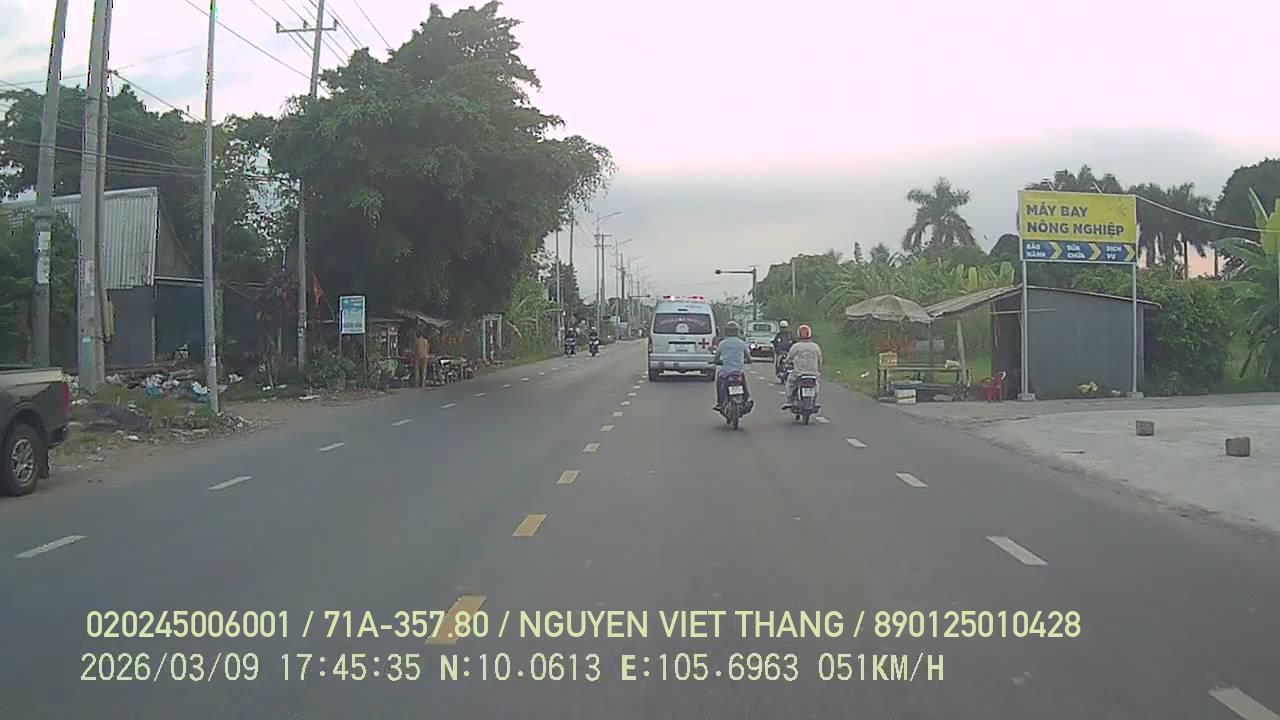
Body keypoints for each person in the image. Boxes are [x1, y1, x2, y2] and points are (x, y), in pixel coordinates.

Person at [713, 320, 752, 411]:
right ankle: (747, 399)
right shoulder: (742, 343)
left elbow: (716, 357)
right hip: (738, 371)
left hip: (725, 372)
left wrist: (717, 361)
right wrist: (746, 361)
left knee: (719, 382)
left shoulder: (722, 343)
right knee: (744, 383)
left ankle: (719, 403)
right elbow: (748, 357)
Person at [783, 323, 823, 408]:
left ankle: (789, 401)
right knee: (816, 385)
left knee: (790, 384)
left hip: (798, 373)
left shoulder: (796, 346)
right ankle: (814, 401)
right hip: (813, 373)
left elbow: (789, 358)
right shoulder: (815, 347)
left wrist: (786, 362)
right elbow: (820, 360)